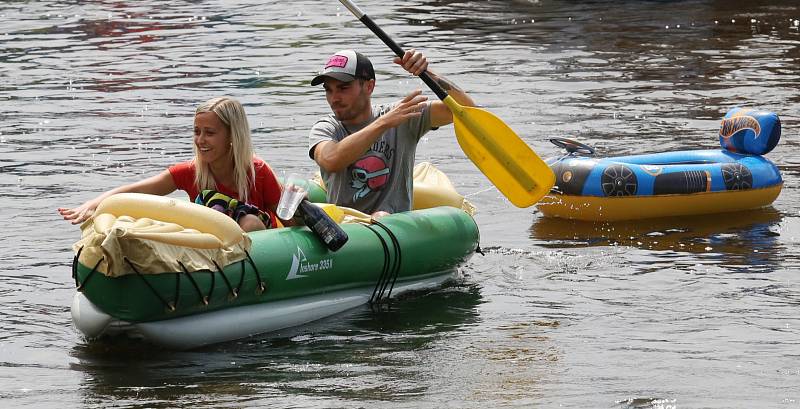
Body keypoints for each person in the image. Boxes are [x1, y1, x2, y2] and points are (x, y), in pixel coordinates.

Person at [58, 97, 284, 232]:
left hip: (260, 242)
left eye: (210, 133)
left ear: (232, 136)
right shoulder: (191, 172)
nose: (200, 140)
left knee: (250, 222)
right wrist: (93, 204)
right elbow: (136, 191)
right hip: (214, 244)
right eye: (197, 132)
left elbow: (290, 221)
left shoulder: (257, 172)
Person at [308, 49, 475, 218]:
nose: (334, 98)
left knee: (381, 215)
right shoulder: (326, 127)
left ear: (369, 86)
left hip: (395, 227)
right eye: (328, 90)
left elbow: (468, 111)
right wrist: (383, 124)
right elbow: (330, 161)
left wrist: (425, 72)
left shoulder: (403, 114)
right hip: (346, 230)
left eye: (343, 88)